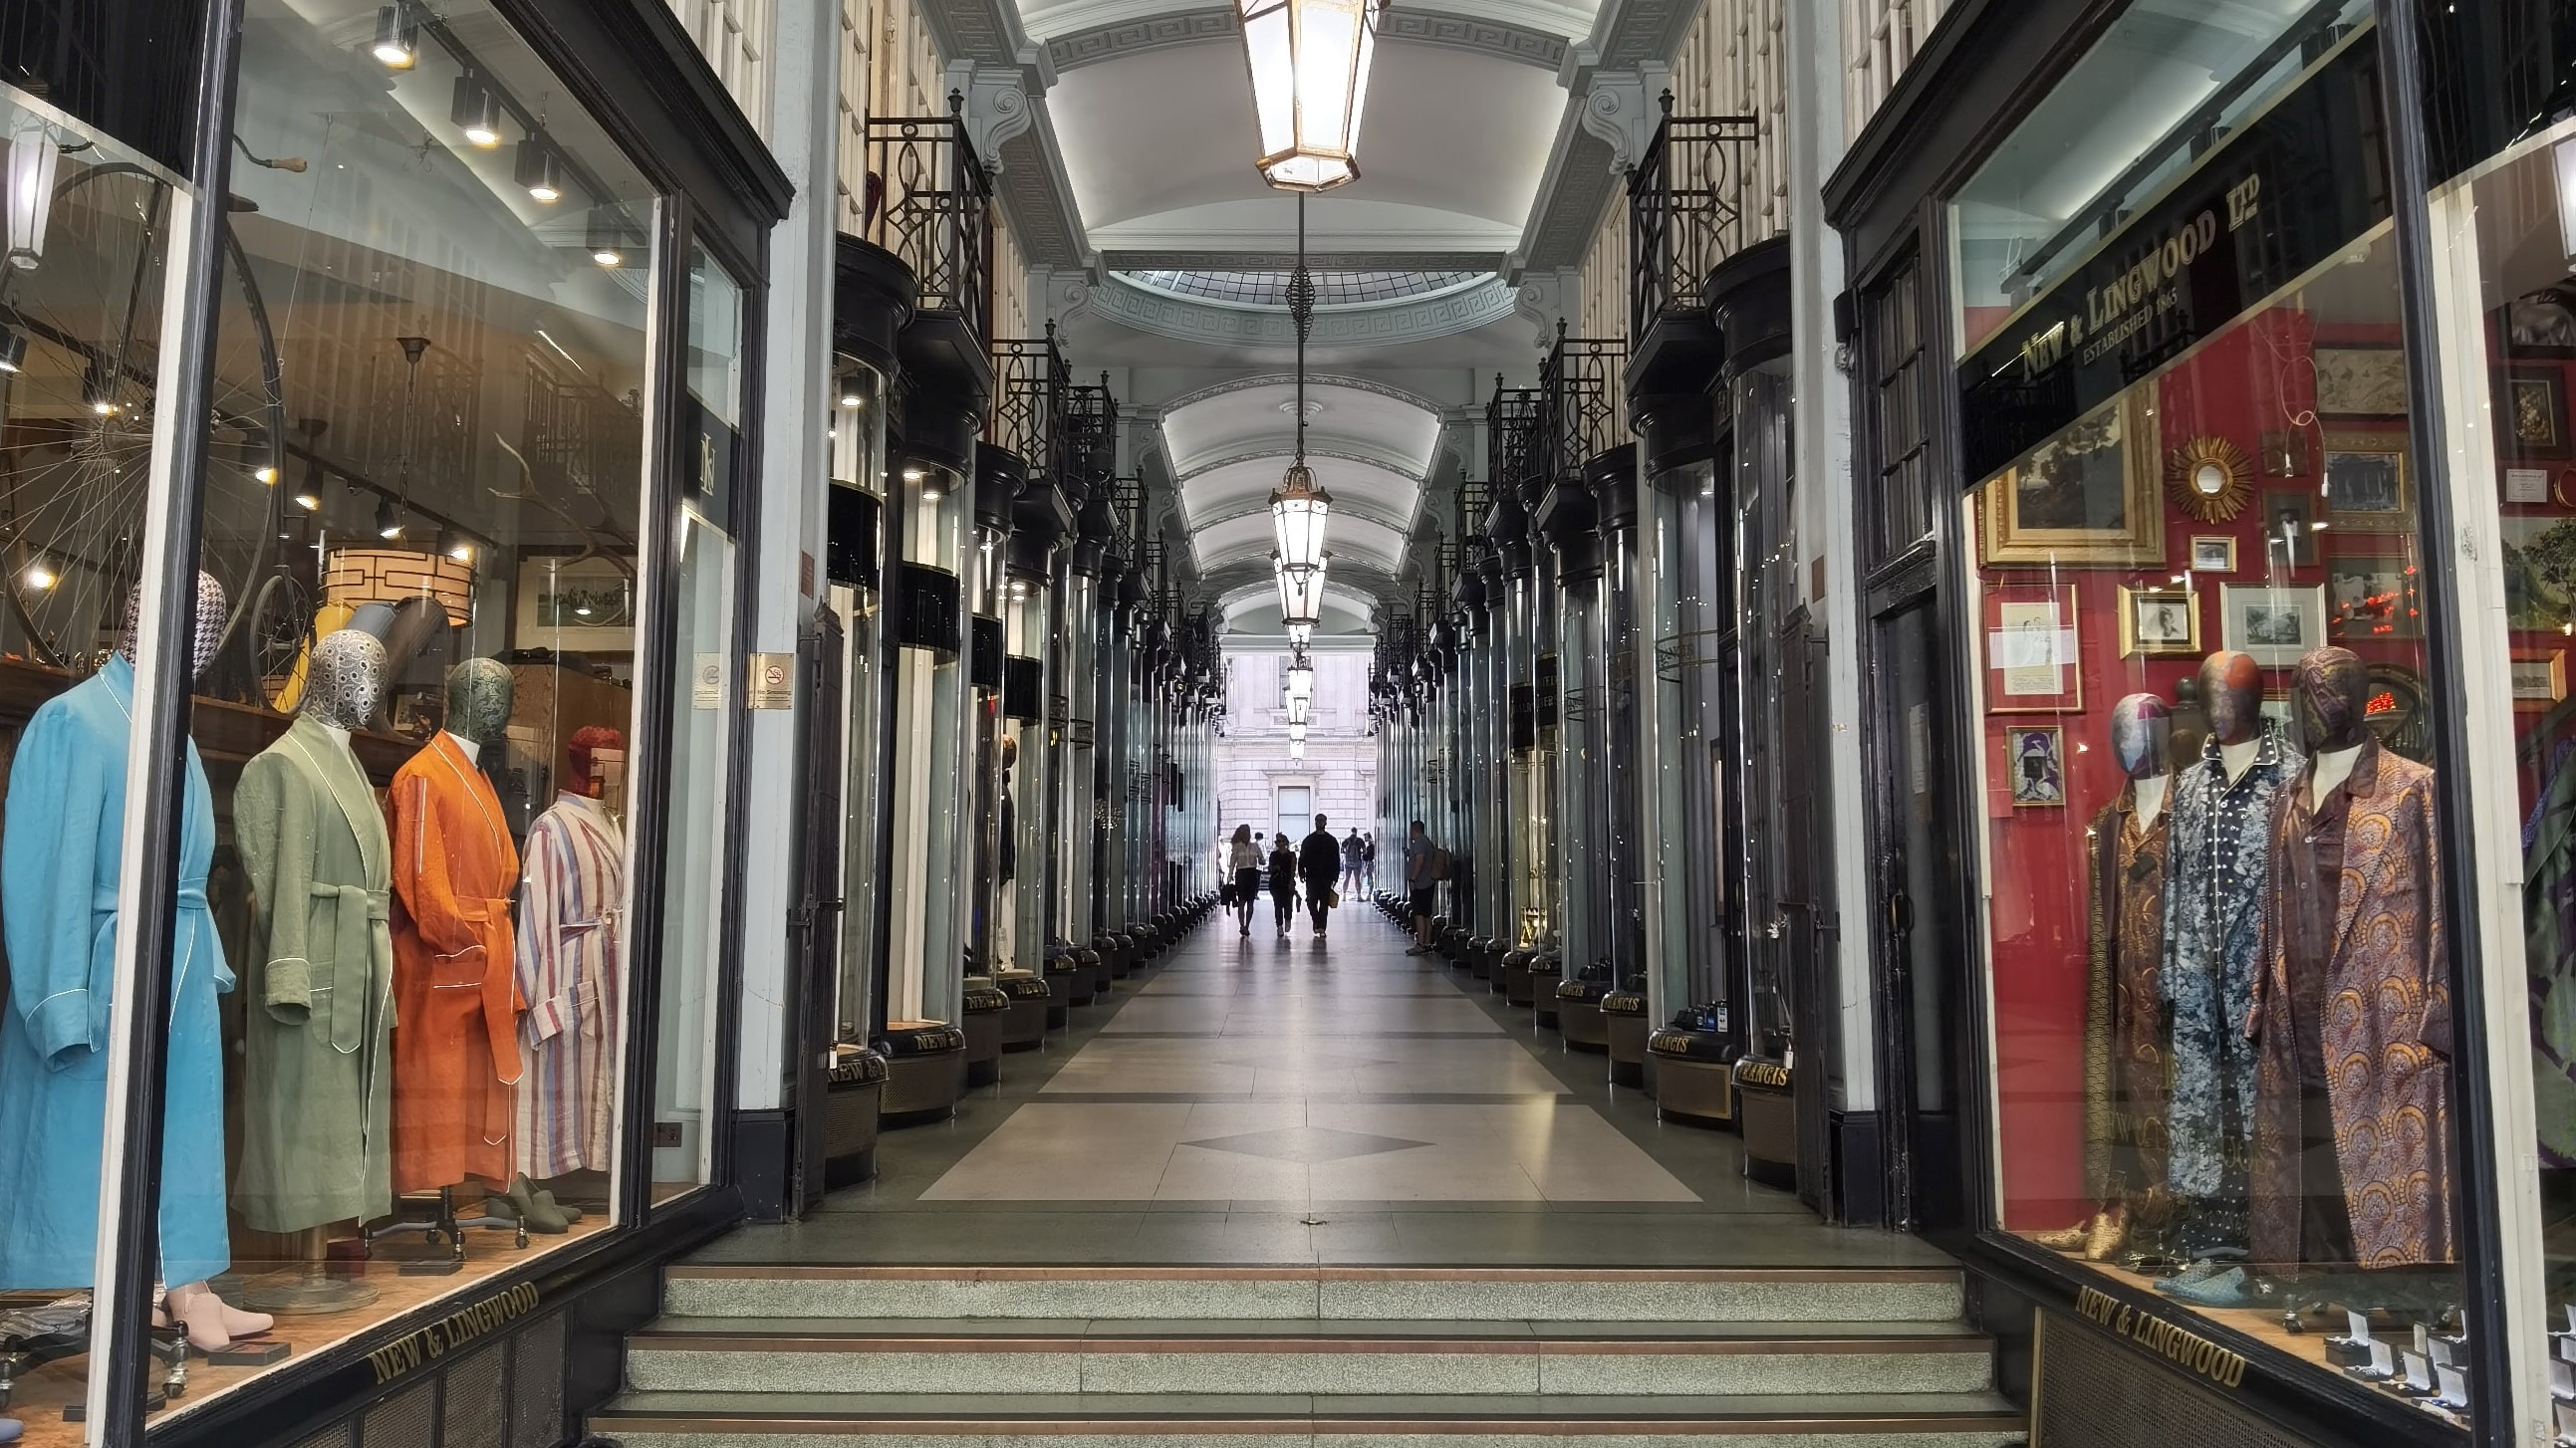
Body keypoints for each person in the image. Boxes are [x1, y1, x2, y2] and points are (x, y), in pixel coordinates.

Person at [1299, 814, 1343, 935]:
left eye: (1322, 820)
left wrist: (1335, 876)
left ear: (1325, 822)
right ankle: (1317, 921)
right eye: (1318, 820)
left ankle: (1321, 926)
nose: (1320, 822)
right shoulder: (1309, 840)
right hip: (1312, 876)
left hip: (1325, 876)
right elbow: (1302, 858)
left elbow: (1335, 860)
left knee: (1323, 902)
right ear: (1315, 822)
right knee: (1311, 901)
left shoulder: (1331, 841)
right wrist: (1301, 872)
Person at [1403, 820, 1439, 954]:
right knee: (1426, 915)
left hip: (1420, 885)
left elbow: (1419, 860)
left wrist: (1413, 879)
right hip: (1428, 883)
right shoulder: (1426, 842)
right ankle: (1427, 942)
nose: (1410, 834)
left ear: (1414, 830)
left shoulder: (1419, 843)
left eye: (1411, 831)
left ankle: (1420, 943)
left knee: (1419, 914)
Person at [1225, 824, 1264, 936]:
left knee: (1251, 902)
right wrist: (1229, 877)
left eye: (1248, 832)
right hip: (1241, 874)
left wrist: (1262, 860)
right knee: (1242, 901)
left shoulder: (1255, 846)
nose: (1246, 834)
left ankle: (1247, 925)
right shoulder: (1237, 847)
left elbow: (1261, 858)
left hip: (1252, 874)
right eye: (1244, 832)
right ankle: (1242, 925)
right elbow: (1232, 863)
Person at [1266, 832, 1300, 935]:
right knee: (1277, 904)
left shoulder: (1291, 855)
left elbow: (1293, 869)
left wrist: (1291, 882)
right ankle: (1279, 925)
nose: (1278, 843)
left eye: (1280, 841)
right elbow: (1270, 868)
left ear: (1285, 842)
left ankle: (1288, 919)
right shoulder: (1273, 854)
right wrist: (1274, 868)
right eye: (1277, 841)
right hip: (1276, 882)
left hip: (1287, 881)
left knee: (1288, 903)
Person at [1341, 828, 1366, 894]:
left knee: (1347, 878)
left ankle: (1344, 895)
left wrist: (1347, 854)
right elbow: (1364, 851)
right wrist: (1360, 853)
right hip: (1357, 863)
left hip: (1348, 863)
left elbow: (1342, 850)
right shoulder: (1360, 840)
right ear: (1356, 832)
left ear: (1351, 831)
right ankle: (1359, 895)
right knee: (1357, 879)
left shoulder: (1346, 840)